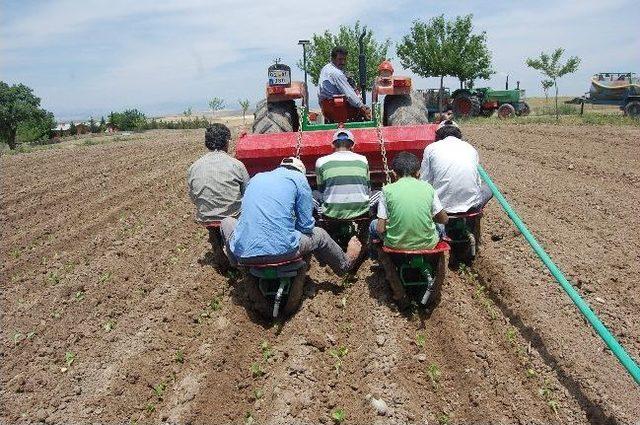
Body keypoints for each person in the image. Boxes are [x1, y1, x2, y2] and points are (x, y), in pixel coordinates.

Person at [221, 157, 361, 275]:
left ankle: (237, 266)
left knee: (227, 222)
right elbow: (306, 226)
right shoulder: (299, 179)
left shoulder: (256, 178)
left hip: (244, 254)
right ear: (302, 172)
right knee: (320, 234)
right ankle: (345, 265)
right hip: (283, 251)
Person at [370, 152, 448, 250]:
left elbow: (380, 228)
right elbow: (444, 219)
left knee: (373, 225)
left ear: (394, 173)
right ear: (418, 173)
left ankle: (381, 257)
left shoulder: (386, 190)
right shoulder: (428, 188)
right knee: (440, 226)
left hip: (395, 245)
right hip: (428, 244)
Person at [419, 120, 492, 213]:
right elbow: (477, 182)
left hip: (440, 209)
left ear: (438, 136)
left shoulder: (431, 148)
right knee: (489, 188)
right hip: (471, 206)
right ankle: (474, 219)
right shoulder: (470, 148)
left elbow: (424, 181)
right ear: (458, 134)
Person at [187, 123, 250, 222]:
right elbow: (248, 193)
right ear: (226, 142)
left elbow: (193, 197)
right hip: (233, 219)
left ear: (207, 142)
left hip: (205, 218)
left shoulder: (193, 167)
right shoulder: (236, 165)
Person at [314, 129, 373, 219]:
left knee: (314, 194)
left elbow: (321, 188)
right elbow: (368, 188)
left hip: (331, 213)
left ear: (333, 145)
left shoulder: (321, 161)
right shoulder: (363, 160)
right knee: (378, 193)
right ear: (352, 145)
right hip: (361, 211)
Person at [318, 46, 372, 122]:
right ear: (333, 59)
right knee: (363, 110)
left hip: (327, 109)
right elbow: (349, 94)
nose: (343, 62)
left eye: (344, 59)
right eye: (340, 59)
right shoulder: (336, 73)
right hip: (339, 109)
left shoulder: (325, 69)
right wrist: (362, 107)